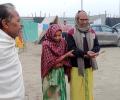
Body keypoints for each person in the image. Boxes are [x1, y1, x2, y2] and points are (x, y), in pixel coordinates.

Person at [67, 10, 100, 100]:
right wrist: (85, 54)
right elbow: (71, 48)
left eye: (86, 19)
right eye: (82, 19)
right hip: (76, 68)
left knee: (88, 90)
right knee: (77, 92)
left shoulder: (92, 32)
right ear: (77, 19)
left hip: (89, 67)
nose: (84, 21)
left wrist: (93, 52)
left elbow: (97, 46)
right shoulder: (71, 33)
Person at [41, 24, 73, 100]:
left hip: (60, 73)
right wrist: (65, 56)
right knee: (51, 96)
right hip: (50, 74)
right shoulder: (46, 44)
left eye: (59, 35)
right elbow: (50, 63)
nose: (58, 38)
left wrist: (62, 61)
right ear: (50, 34)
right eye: (55, 36)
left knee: (60, 94)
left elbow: (65, 60)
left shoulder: (63, 42)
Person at [0, 3, 25, 100]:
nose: (20, 25)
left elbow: (20, 46)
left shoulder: (10, 41)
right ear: (5, 23)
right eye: (18, 21)